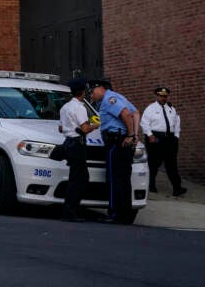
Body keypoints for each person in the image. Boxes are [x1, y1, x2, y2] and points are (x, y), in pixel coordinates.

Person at [89, 78, 140, 223]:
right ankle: (125, 214)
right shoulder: (118, 96)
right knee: (123, 179)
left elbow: (126, 114)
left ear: (100, 88)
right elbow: (136, 113)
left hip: (116, 142)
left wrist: (130, 135)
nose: (91, 95)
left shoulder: (109, 99)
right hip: (123, 141)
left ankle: (116, 214)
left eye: (92, 92)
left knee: (114, 179)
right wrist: (135, 135)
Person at [59, 78, 100, 221]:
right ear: (82, 92)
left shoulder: (65, 107)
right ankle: (71, 211)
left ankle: (69, 209)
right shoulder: (80, 108)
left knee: (75, 178)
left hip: (68, 143)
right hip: (77, 145)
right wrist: (97, 124)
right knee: (80, 180)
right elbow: (85, 128)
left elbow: (60, 128)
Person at [141, 86, 186, 196]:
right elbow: (144, 122)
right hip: (155, 138)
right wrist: (150, 135)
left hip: (170, 139)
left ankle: (177, 188)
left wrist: (176, 136)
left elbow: (177, 123)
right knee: (154, 163)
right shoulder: (151, 108)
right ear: (157, 96)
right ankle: (151, 185)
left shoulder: (171, 108)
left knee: (172, 163)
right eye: (161, 96)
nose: (163, 98)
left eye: (165, 96)